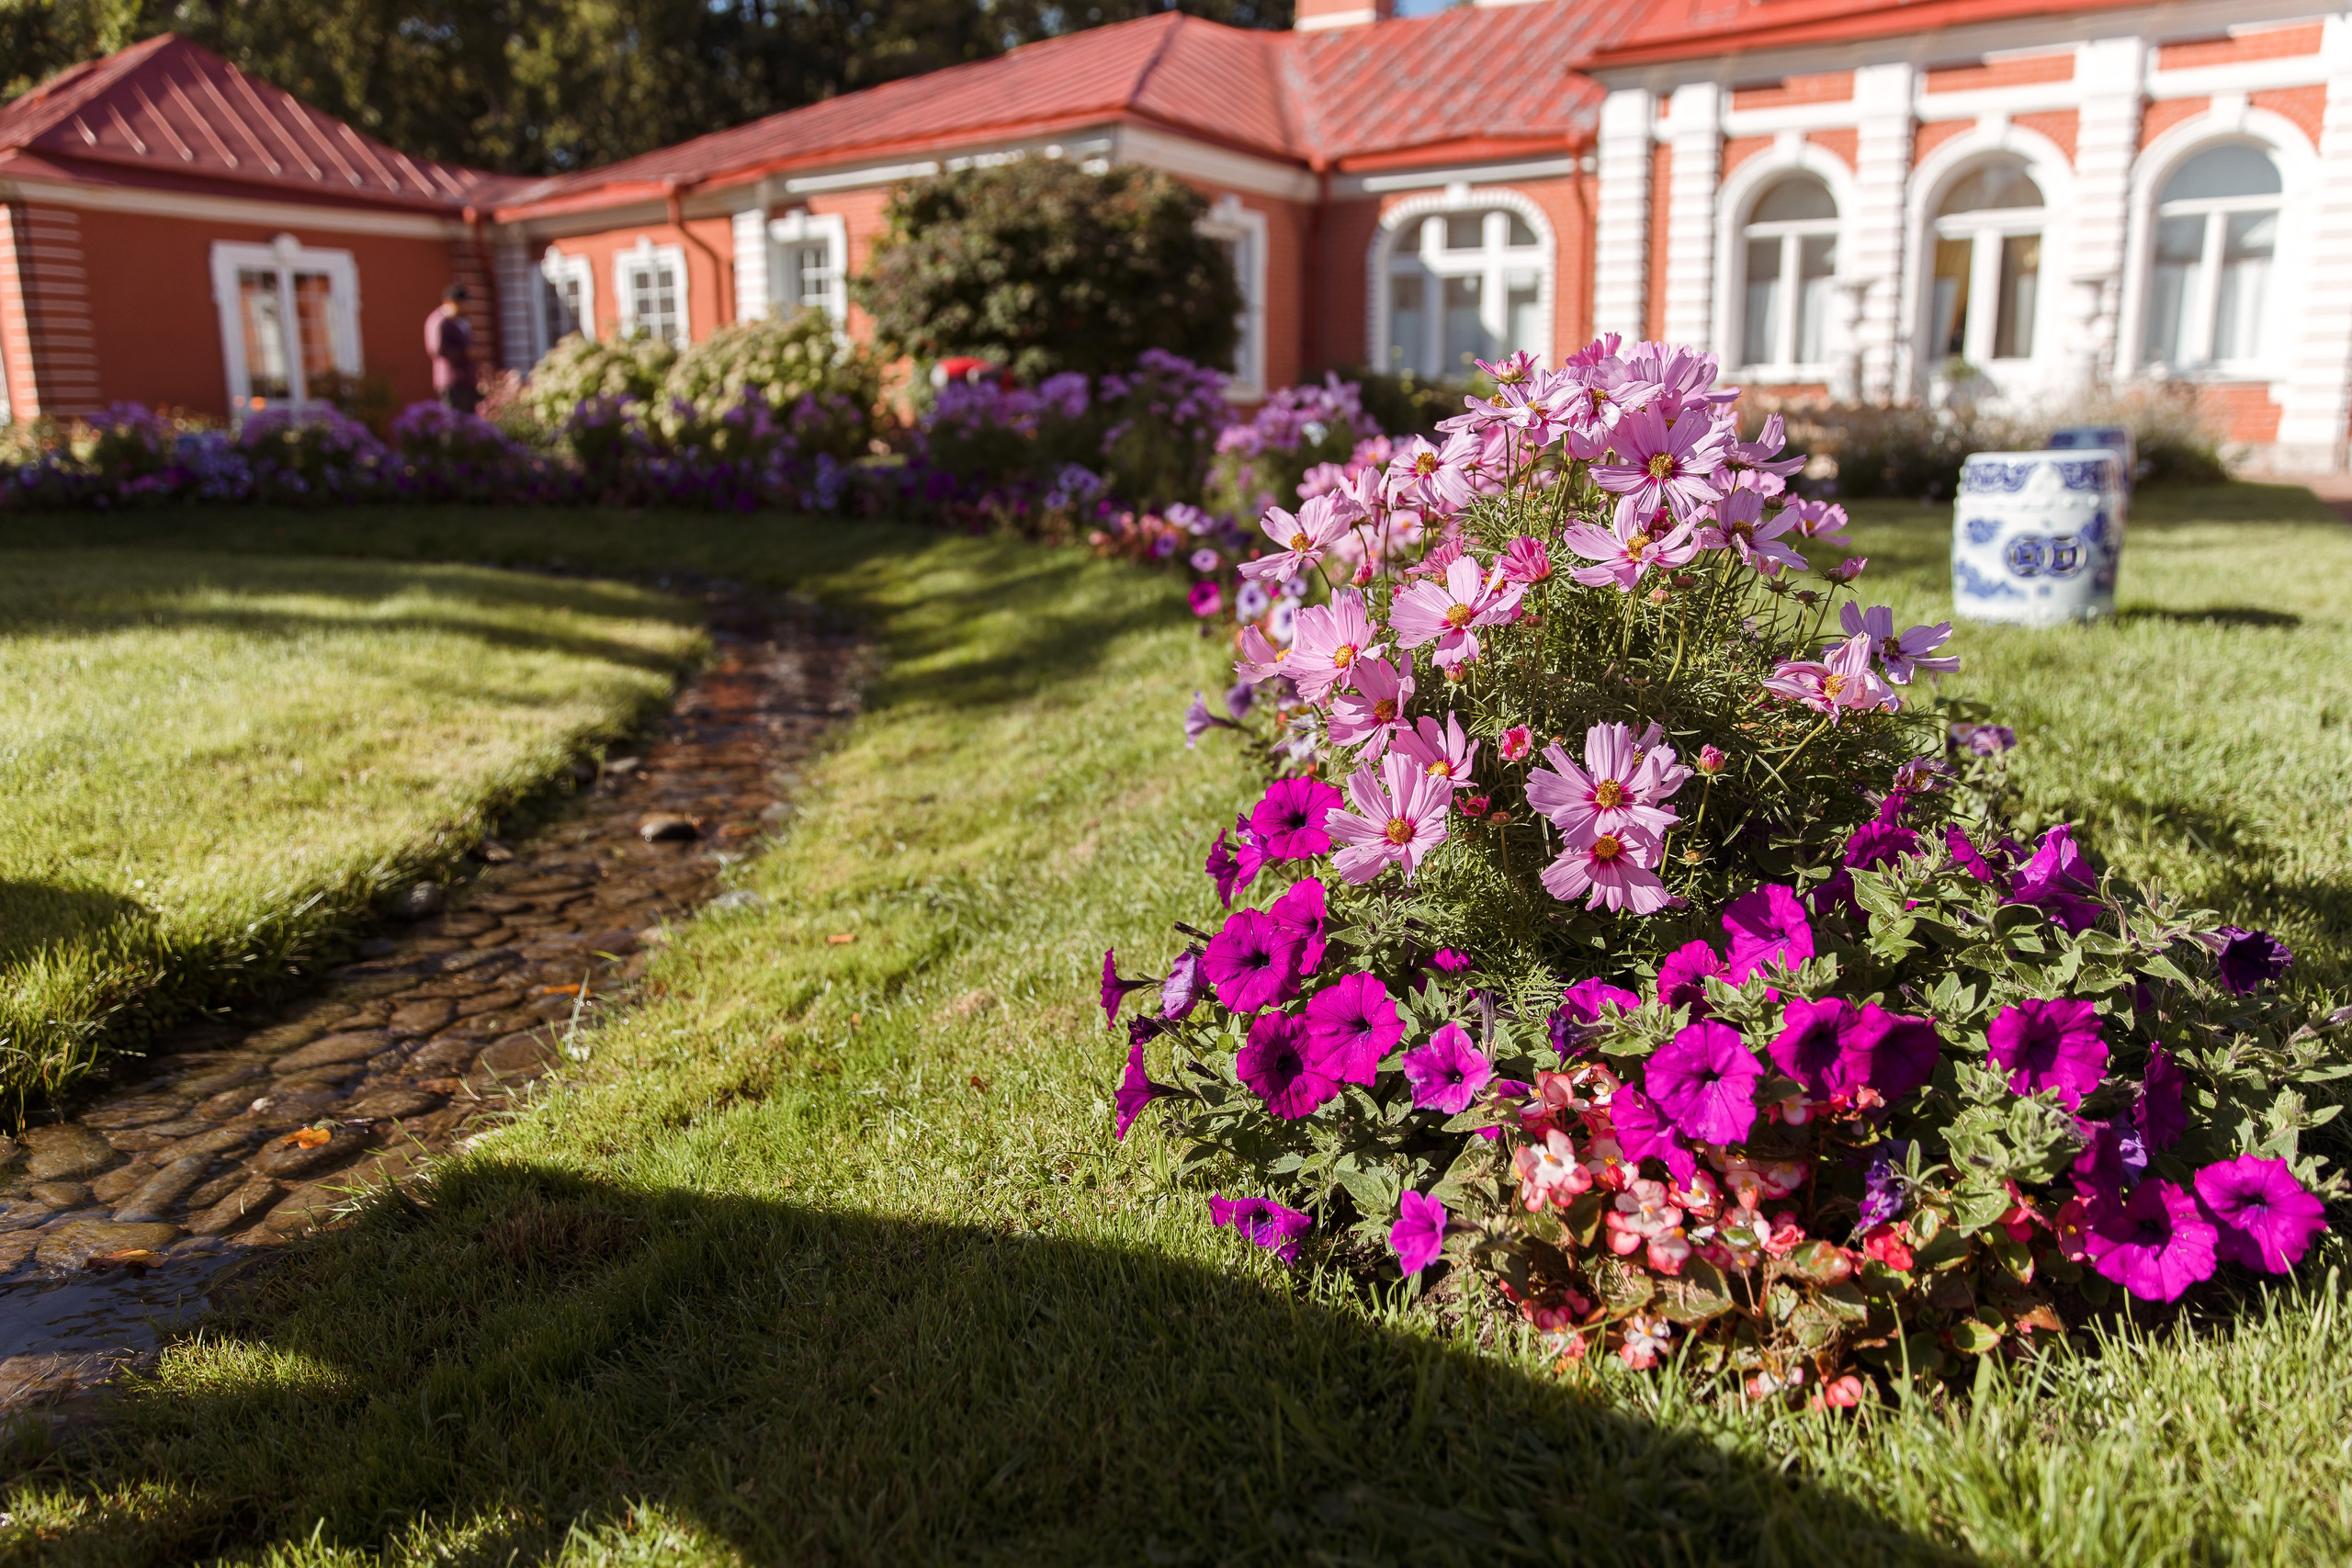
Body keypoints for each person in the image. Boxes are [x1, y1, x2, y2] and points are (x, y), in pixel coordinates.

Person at [424, 284, 479, 412]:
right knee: (453, 421)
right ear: (451, 302)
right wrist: (464, 353)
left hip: (467, 380)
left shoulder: (461, 321)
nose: (466, 307)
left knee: (468, 422)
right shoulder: (440, 321)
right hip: (452, 380)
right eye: (463, 303)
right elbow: (436, 349)